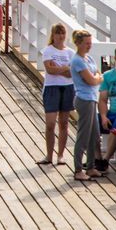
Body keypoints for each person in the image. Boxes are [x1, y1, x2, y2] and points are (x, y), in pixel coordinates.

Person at [70, 30, 104, 182]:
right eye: (86, 43)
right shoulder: (77, 60)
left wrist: (96, 77)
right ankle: (78, 170)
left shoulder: (88, 58)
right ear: (78, 43)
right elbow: (92, 80)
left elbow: (98, 74)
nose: (89, 46)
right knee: (83, 135)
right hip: (84, 99)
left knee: (94, 135)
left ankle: (90, 167)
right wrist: (97, 78)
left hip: (92, 99)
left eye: (90, 43)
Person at [38, 23, 74, 167]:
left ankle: (61, 155)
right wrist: (64, 69)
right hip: (52, 88)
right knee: (50, 124)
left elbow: (71, 73)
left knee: (64, 123)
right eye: (58, 33)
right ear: (53, 35)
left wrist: (58, 68)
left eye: (63, 33)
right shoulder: (48, 50)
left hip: (67, 87)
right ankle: (49, 155)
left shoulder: (70, 52)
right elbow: (49, 70)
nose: (60, 36)